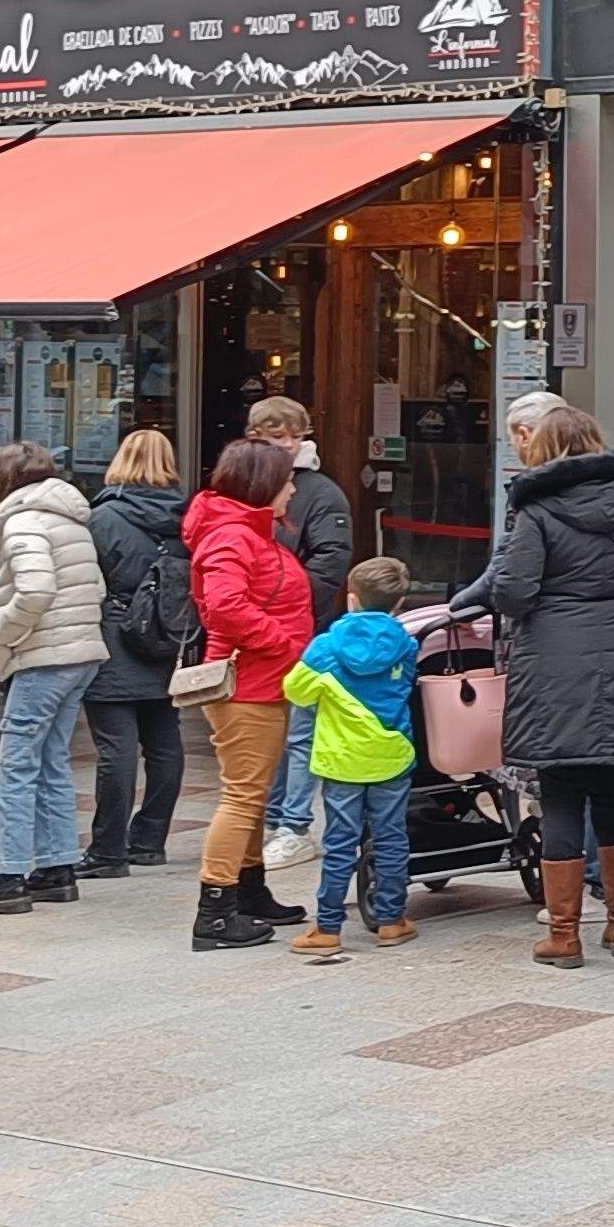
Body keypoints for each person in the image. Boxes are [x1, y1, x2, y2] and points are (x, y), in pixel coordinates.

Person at [455, 401, 614, 965]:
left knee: (559, 790)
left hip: (552, 657)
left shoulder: (537, 509)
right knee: (613, 785)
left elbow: (516, 592)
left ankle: (565, 934)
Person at [182, 442, 316, 951]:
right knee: (242, 796)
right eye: (286, 480)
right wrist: (283, 644)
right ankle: (214, 912)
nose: (293, 489)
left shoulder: (248, 531)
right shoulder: (233, 535)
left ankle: (249, 891)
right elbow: (224, 606)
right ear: (262, 485)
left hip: (265, 680)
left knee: (253, 794)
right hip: (249, 685)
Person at [0, 442, 101, 919]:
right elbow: (92, 585)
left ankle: (11, 873)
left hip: (44, 655)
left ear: (8, 478)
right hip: (79, 650)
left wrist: (2, 629)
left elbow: (36, 589)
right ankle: (58, 866)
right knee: (53, 760)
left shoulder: (22, 520)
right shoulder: (68, 516)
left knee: (17, 763)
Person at [284, 556, 420, 959]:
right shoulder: (406, 644)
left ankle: (327, 928)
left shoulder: (326, 646)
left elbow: (296, 691)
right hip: (392, 753)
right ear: (398, 604)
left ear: (352, 598)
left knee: (340, 841)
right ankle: (392, 921)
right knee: (391, 837)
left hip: (341, 758)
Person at [250, 397, 355, 873]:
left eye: (294, 435)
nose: (287, 444)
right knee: (265, 728)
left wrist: (288, 607)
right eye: (276, 436)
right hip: (254, 626)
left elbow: (330, 562)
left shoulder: (320, 493)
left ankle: (292, 824)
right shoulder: (247, 487)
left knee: (298, 730)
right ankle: (269, 818)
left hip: (298, 627)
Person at [85, 430, 194, 875]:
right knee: (166, 743)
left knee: (117, 748)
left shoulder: (104, 517)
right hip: (168, 636)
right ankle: (149, 840)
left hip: (115, 635)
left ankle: (108, 849)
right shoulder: (186, 517)